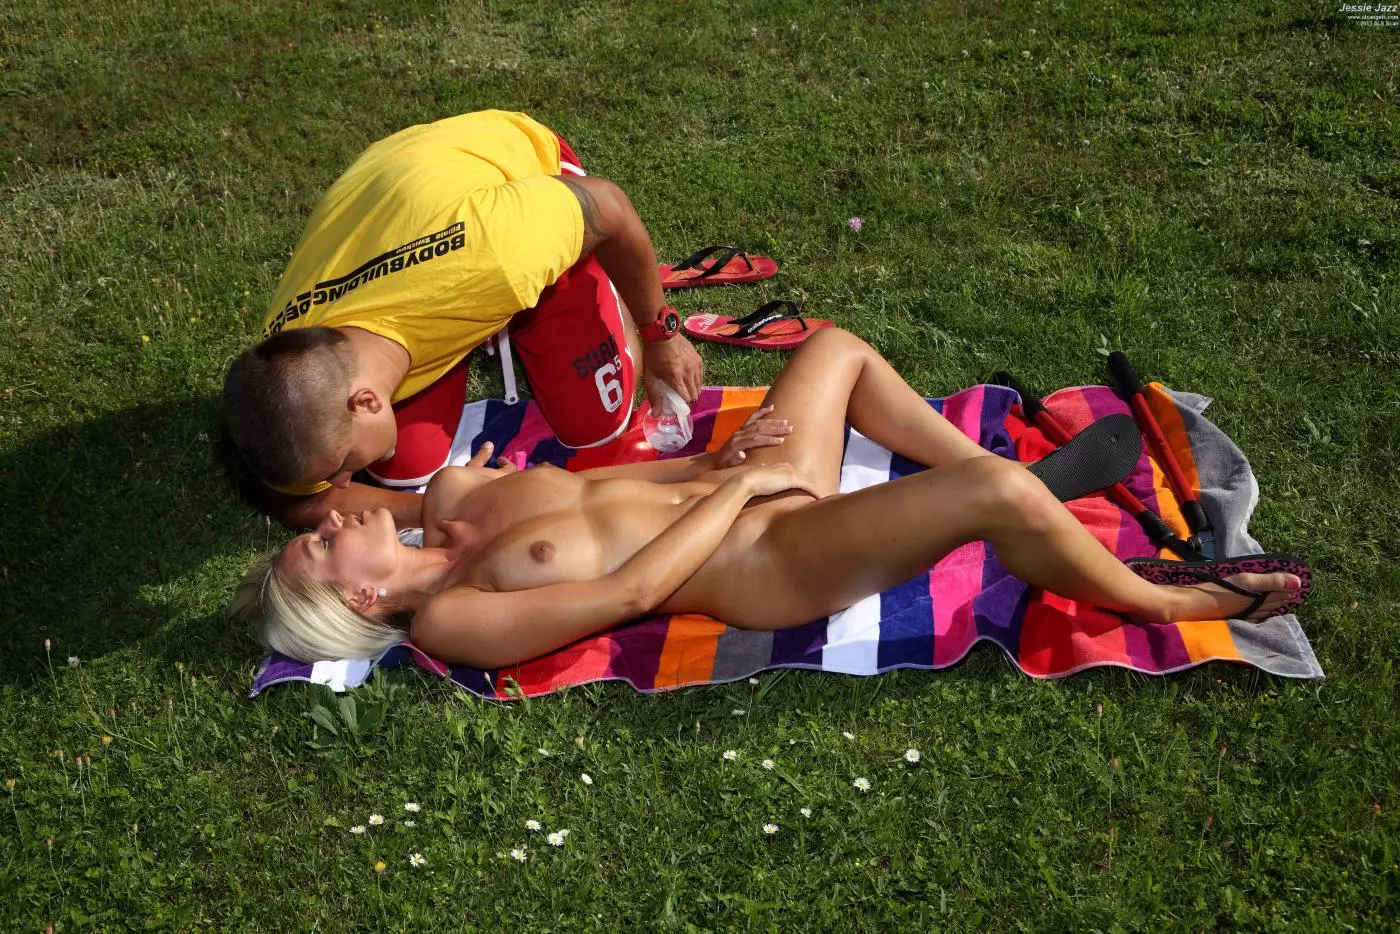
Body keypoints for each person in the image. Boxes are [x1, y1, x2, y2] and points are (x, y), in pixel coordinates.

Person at [231, 328, 1308, 668]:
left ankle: (1023, 496)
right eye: (321, 548)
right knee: (980, 490)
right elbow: (629, 593)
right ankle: (1161, 596)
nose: (332, 522)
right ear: (360, 601)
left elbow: (603, 490)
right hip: (764, 562)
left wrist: (710, 465)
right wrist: (742, 489)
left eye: (314, 530)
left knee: (834, 350)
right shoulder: (455, 620)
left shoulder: (459, 488)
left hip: (735, 496)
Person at [220, 110, 703, 530]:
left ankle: (577, 270)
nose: (343, 482)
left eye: (341, 466)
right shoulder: (291, 368)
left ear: (366, 401)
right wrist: (441, 505)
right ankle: (495, 324)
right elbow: (295, 501)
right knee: (406, 474)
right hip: (401, 200)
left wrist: (660, 333)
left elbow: (610, 207)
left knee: (596, 426)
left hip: (508, 175)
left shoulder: (498, 258)